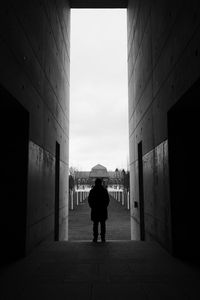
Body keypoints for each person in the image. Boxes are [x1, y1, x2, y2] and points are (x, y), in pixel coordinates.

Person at [88, 178, 110, 242]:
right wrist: (105, 206)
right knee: (103, 225)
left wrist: (92, 206)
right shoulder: (104, 190)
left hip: (95, 210)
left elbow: (90, 200)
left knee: (95, 225)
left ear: (95, 183)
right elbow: (107, 200)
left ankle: (95, 238)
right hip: (103, 210)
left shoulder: (92, 191)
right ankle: (103, 238)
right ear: (101, 183)